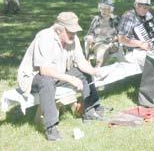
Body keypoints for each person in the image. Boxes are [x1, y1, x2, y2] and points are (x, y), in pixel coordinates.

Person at [17, 12, 105, 141]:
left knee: (84, 73)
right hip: (34, 78)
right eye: (71, 32)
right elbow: (44, 70)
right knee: (46, 82)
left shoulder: (72, 38)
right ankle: (51, 128)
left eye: (75, 31)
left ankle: (90, 110)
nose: (74, 35)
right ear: (59, 30)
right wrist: (70, 78)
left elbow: (80, 61)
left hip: (57, 76)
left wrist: (93, 71)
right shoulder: (44, 37)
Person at [85, 0, 123, 67]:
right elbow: (90, 33)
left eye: (106, 9)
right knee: (102, 48)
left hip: (112, 44)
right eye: (101, 8)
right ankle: (98, 67)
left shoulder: (116, 19)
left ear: (111, 10)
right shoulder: (96, 19)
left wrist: (114, 39)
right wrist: (90, 37)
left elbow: (121, 34)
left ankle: (97, 68)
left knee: (105, 48)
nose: (103, 11)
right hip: (98, 44)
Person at [117, 0, 153, 68]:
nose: (144, 9)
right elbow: (121, 39)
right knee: (152, 60)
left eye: (146, 7)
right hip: (132, 51)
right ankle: (148, 79)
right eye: (140, 5)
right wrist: (140, 44)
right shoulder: (128, 16)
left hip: (147, 48)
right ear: (135, 5)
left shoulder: (148, 15)